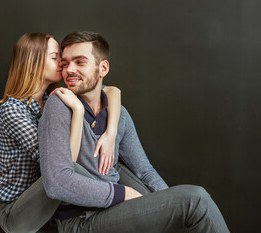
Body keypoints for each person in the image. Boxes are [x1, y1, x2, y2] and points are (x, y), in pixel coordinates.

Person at [38, 31, 230, 232]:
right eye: (66, 63)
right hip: (81, 221)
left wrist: (168, 207)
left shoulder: (119, 116)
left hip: (117, 211)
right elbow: (56, 183)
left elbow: (144, 171)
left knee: (190, 210)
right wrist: (122, 193)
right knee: (196, 199)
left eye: (79, 62)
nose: (69, 69)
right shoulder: (58, 104)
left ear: (102, 68)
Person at [0, 32, 123, 233]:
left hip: (52, 205)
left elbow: (112, 91)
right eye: (55, 58)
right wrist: (77, 112)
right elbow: (62, 166)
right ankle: (122, 197)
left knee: (114, 161)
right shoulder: (13, 111)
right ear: (34, 63)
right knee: (65, 170)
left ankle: (137, 200)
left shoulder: (51, 99)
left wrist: (111, 133)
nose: (63, 64)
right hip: (17, 212)